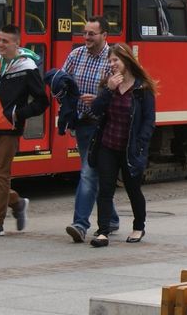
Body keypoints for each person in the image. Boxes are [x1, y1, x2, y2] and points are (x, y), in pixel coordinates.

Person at [0, 24, 48, 236]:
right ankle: (17, 203)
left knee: (1, 175)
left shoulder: (27, 67)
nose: (0, 44)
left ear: (17, 43)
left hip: (9, 128)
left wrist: (18, 115)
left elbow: (42, 101)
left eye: (5, 41)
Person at [88, 42, 157, 247]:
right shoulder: (108, 85)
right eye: (110, 60)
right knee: (105, 189)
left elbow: (148, 121)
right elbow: (96, 110)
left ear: (126, 60)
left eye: (115, 60)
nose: (112, 64)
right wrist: (108, 90)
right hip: (108, 145)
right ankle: (103, 231)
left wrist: (141, 145)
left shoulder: (142, 88)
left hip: (130, 148)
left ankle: (139, 226)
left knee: (133, 188)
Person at [62, 15, 118, 243]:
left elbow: (123, 94)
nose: (86, 37)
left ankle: (80, 224)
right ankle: (112, 219)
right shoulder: (76, 55)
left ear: (104, 35)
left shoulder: (113, 60)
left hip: (103, 124)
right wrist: (66, 108)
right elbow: (63, 83)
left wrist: (97, 99)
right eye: (84, 33)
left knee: (88, 172)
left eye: (91, 34)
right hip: (83, 124)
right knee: (92, 172)